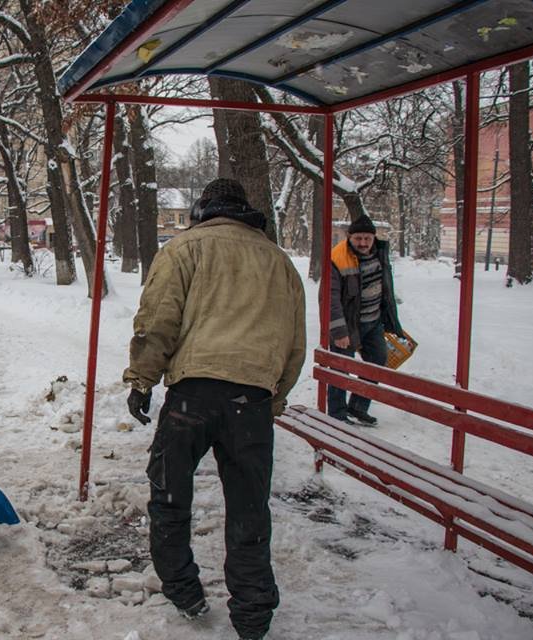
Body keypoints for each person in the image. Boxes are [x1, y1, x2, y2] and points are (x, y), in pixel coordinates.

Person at [123, 178, 306, 640]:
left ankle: (184, 590)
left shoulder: (185, 249)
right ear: (247, 211)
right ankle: (253, 614)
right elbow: (294, 341)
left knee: (169, 497)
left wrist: (142, 379)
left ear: (204, 208)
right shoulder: (279, 262)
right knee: (249, 508)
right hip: (252, 402)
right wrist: (274, 396)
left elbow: (157, 319)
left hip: (192, 396)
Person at [328, 214, 403, 426]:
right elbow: (330, 299)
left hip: (374, 321)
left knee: (377, 362)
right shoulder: (337, 258)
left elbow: (385, 288)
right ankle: (337, 414)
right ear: (349, 237)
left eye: (367, 239)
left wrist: (390, 320)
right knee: (340, 368)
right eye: (358, 238)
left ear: (373, 238)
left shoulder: (380, 253)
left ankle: (358, 406)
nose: (363, 243)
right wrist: (339, 332)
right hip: (348, 324)